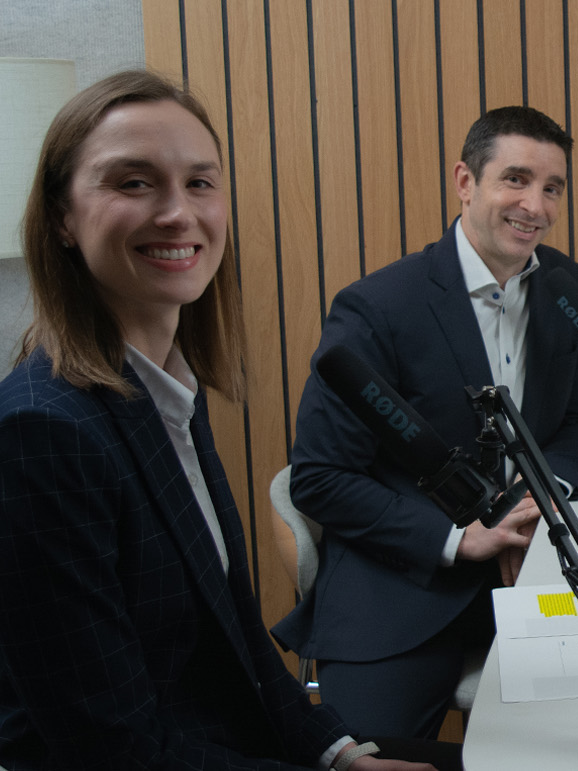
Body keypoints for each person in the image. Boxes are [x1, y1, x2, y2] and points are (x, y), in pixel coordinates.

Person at [0, 70, 445, 770]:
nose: (178, 212)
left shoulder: (167, 389)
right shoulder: (41, 433)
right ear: (61, 216)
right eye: (133, 182)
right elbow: (111, 749)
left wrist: (338, 754)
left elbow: (238, 639)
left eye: (200, 182)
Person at [273, 106, 578, 739]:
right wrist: (461, 538)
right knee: (375, 757)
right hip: (401, 586)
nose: (534, 206)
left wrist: (539, 499)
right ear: (465, 181)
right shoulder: (376, 307)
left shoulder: (564, 285)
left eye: (552, 188)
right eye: (515, 179)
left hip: (533, 566)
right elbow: (318, 478)